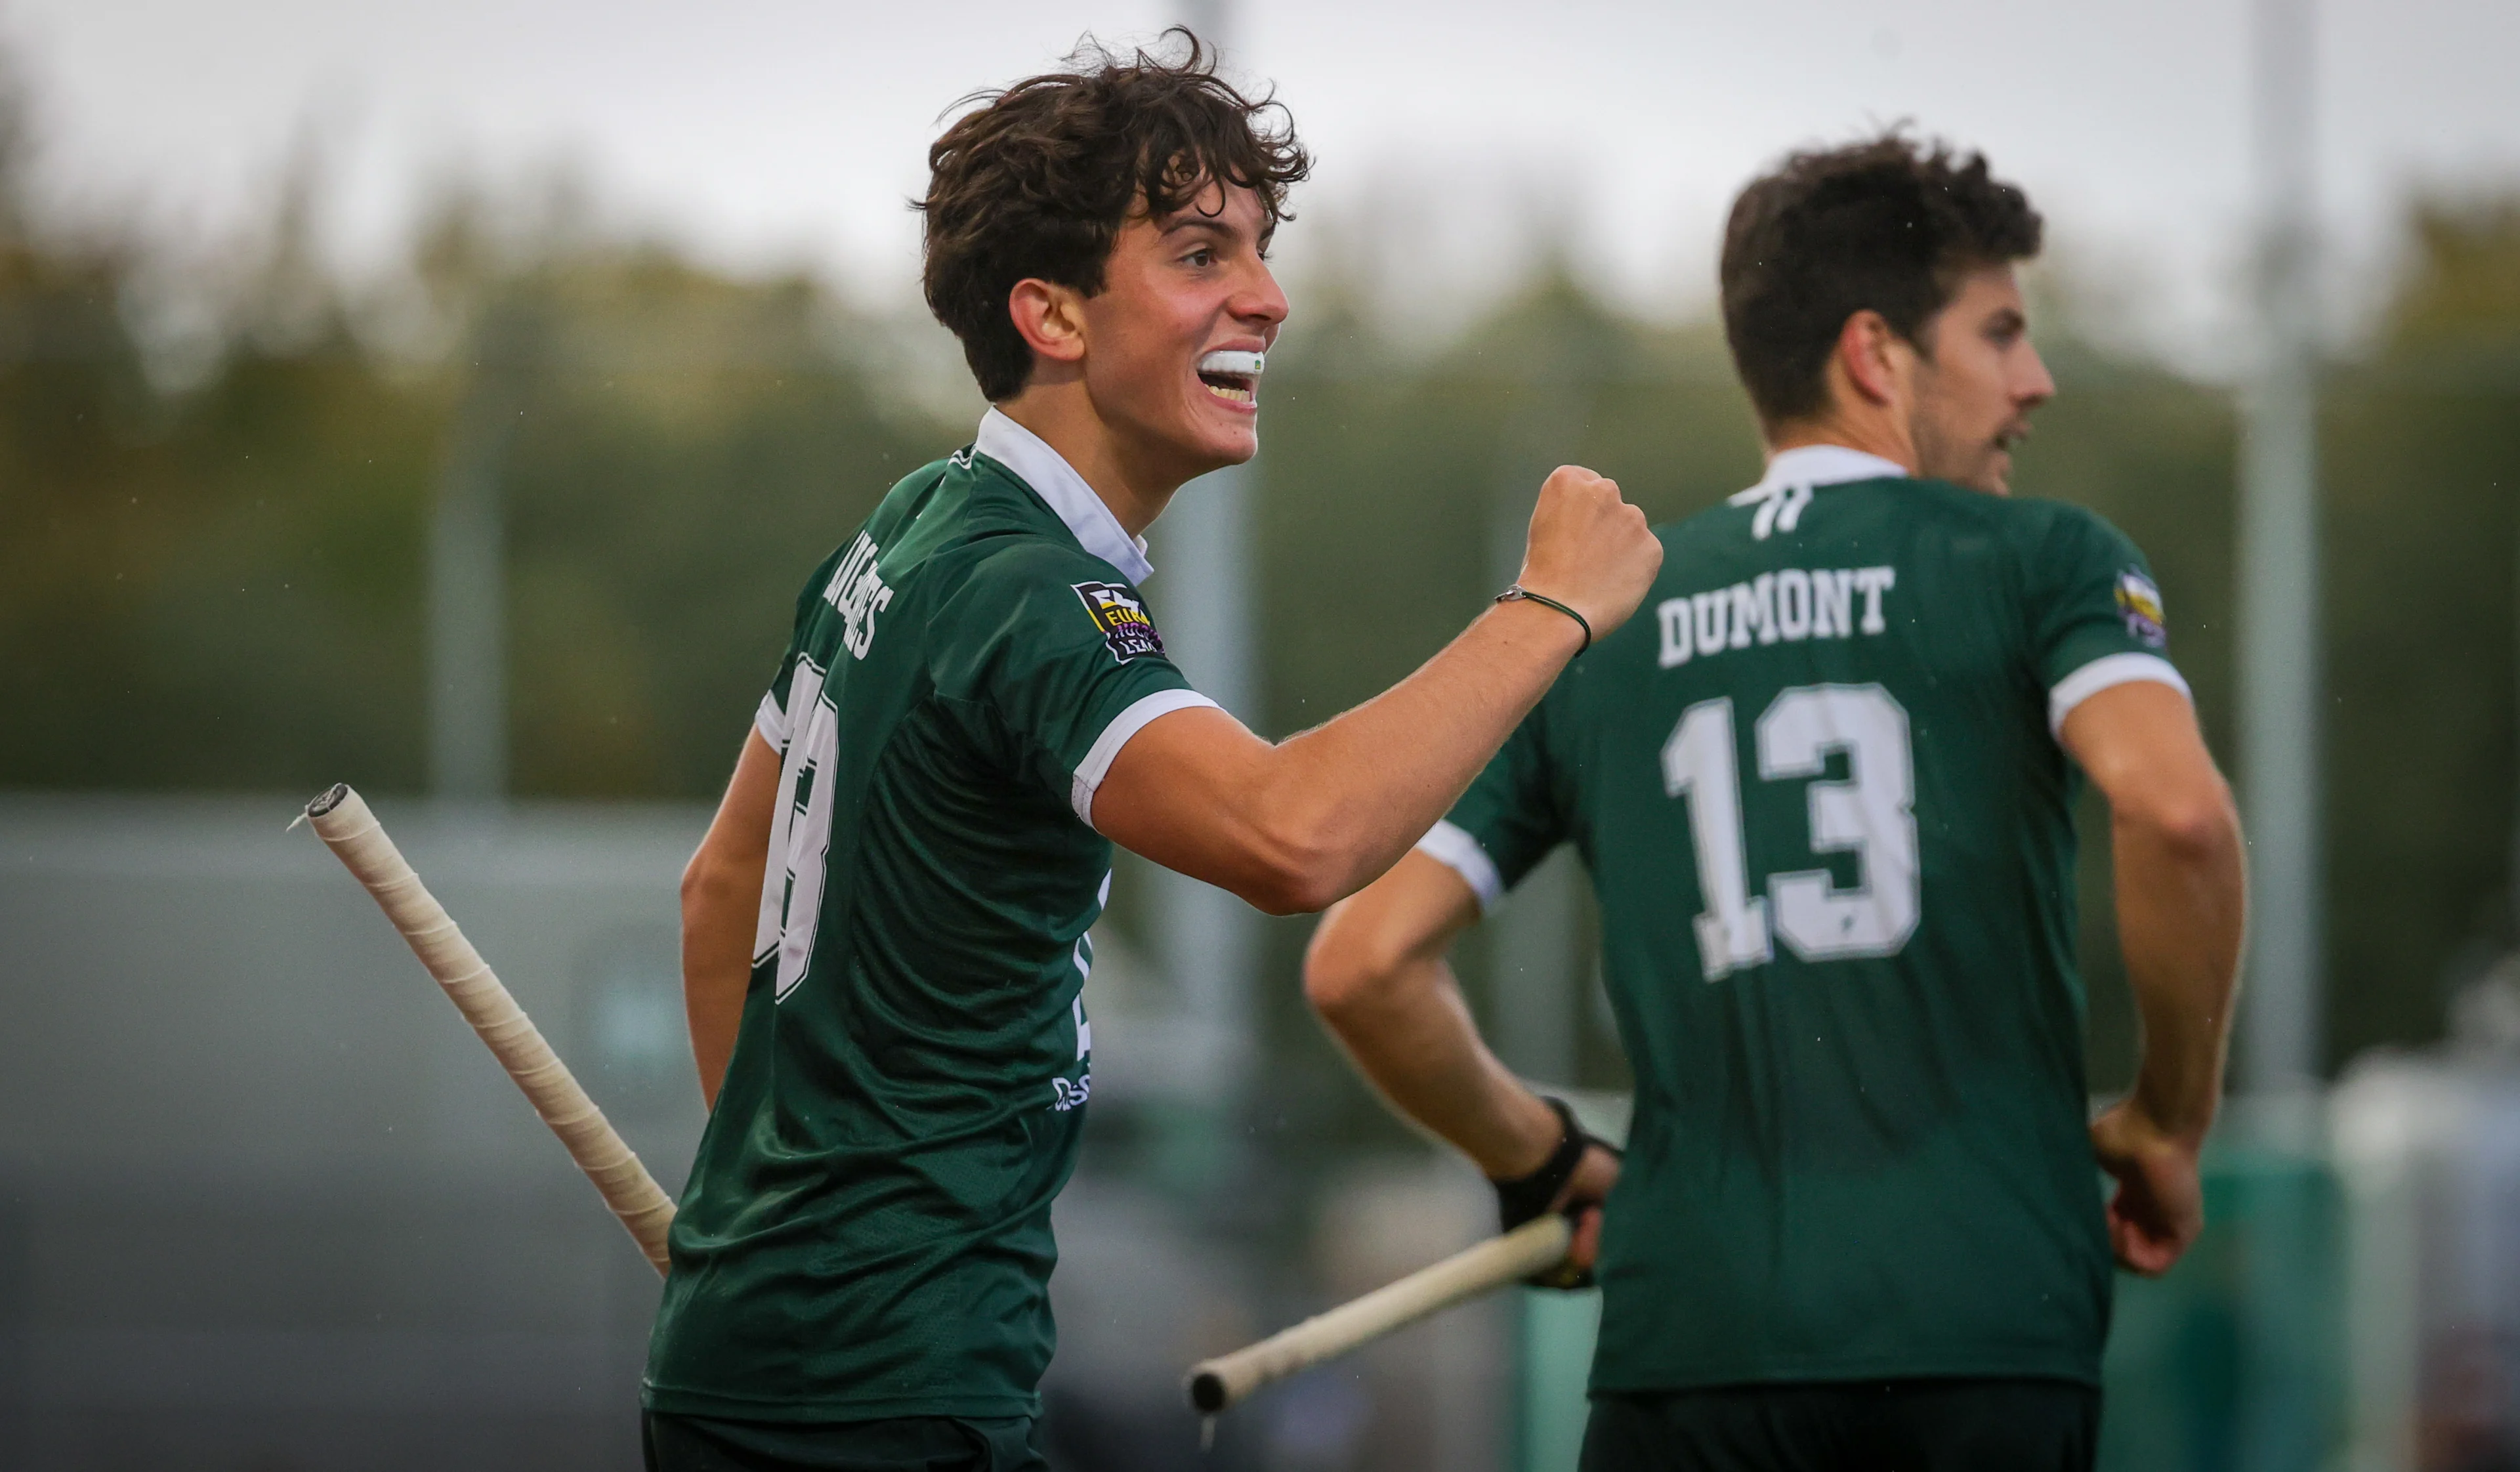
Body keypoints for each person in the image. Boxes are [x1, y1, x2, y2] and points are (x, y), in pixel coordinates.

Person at [638, 35, 1663, 1472]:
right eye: (1199, 253)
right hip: (890, 1398)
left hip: (790, 1368)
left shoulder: (914, 521)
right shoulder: (1023, 590)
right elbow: (1292, 836)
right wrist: (1549, 605)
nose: (1268, 295)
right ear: (1051, 313)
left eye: (1259, 246)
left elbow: (718, 894)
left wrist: (767, 1232)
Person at [1303, 133, 2247, 1472]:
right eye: (1999, 334)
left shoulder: (1608, 622)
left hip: (1689, 1343)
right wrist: (2168, 1118)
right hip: (1983, 1326)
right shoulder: (2045, 560)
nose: (2032, 382)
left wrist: (1537, 1155)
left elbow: (1362, 962)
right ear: (1877, 354)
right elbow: (2181, 814)